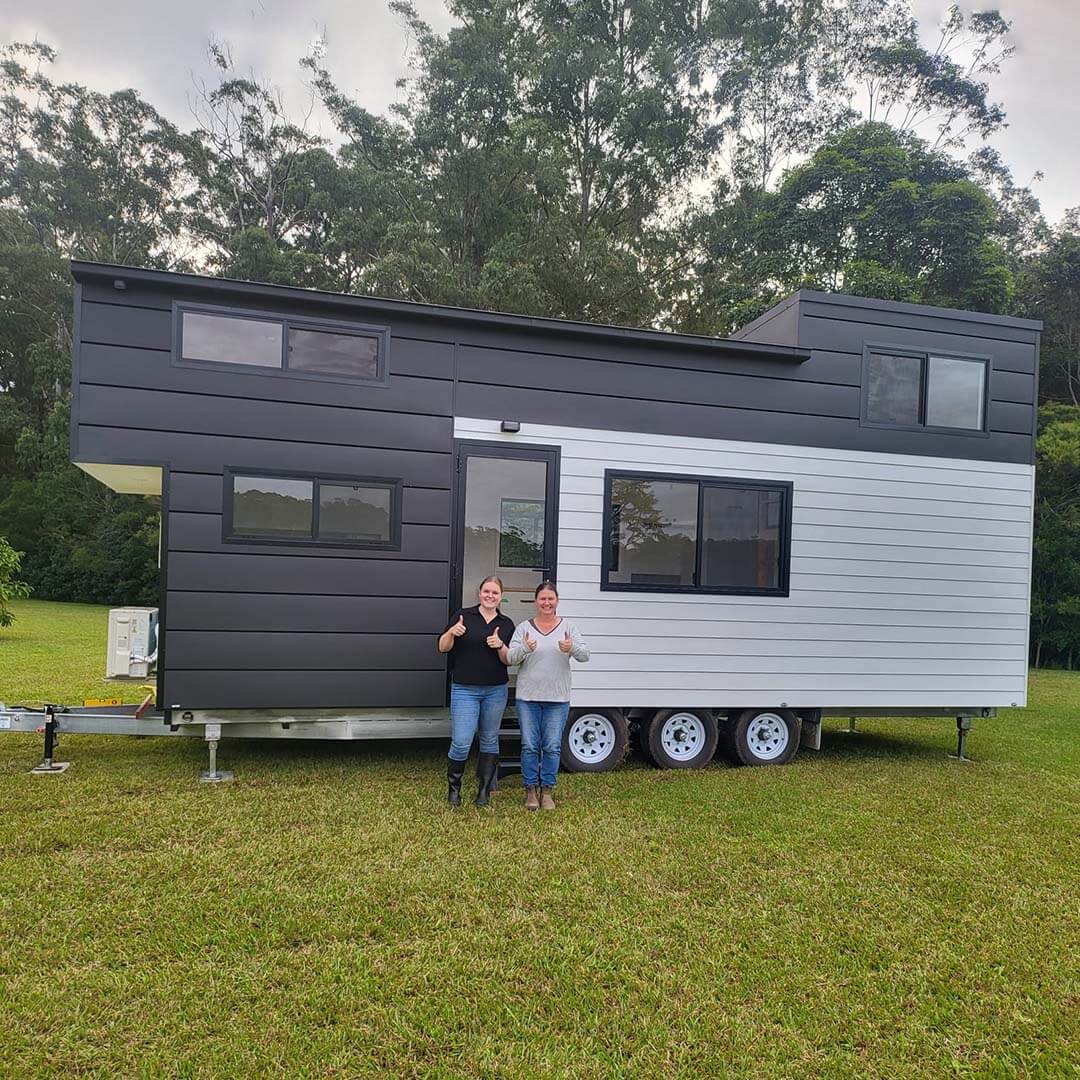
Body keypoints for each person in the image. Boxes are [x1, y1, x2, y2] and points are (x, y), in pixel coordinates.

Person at [506, 581, 590, 811]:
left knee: (552, 746)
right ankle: (531, 790)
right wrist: (524, 648)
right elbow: (510, 658)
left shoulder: (568, 627)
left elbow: (585, 656)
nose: (546, 602)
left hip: (557, 698)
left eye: (550, 598)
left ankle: (547, 791)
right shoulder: (524, 627)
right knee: (530, 745)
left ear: (557, 601)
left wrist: (571, 648)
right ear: (536, 601)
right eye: (542, 598)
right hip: (528, 697)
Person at [437, 576, 514, 807]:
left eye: (495, 593)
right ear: (479, 593)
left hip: (495, 690)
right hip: (464, 689)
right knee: (461, 741)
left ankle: (484, 790)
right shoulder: (463, 616)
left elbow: (508, 660)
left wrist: (500, 645)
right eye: (486, 591)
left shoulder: (507, 623)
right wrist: (452, 632)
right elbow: (442, 647)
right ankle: (454, 789)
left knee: (490, 739)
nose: (490, 596)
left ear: (501, 596)